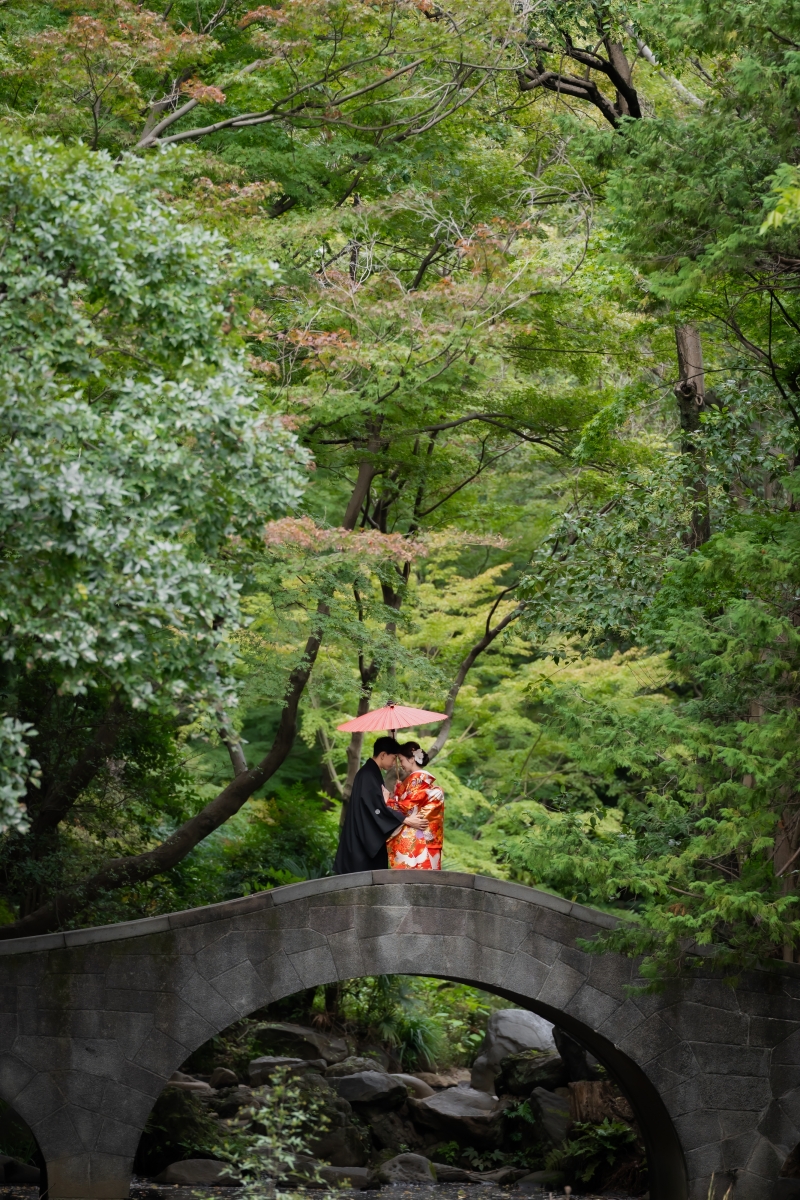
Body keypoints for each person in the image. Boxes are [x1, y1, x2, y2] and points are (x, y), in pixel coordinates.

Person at [333, 736, 429, 873]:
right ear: (383, 755)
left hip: (360, 841)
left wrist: (395, 794)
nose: (395, 763)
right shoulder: (368, 775)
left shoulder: (371, 773)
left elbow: (379, 804)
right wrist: (406, 820)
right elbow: (376, 809)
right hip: (360, 846)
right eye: (394, 757)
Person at [386, 741, 444, 870]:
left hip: (418, 840)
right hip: (425, 838)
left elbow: (406, 808)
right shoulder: (418, 780)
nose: (401, 765)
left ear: (412, 759)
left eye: (401, 760)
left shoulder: (418, 779)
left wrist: (387, 801)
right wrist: (398, 792)